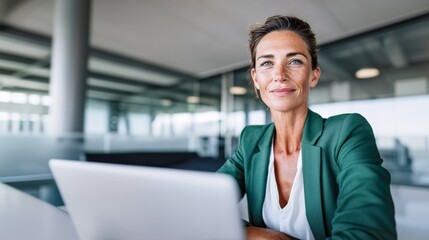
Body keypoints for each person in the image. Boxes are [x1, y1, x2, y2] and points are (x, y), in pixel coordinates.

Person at [217, 15, 397, 240]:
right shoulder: (251, 140)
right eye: (266, 63)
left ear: (313, 75)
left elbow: (370, 232)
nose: (279, 75)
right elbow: (205, 204)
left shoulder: (346, 132)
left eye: (295, 61)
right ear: (255, 78)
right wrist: (251, 233)